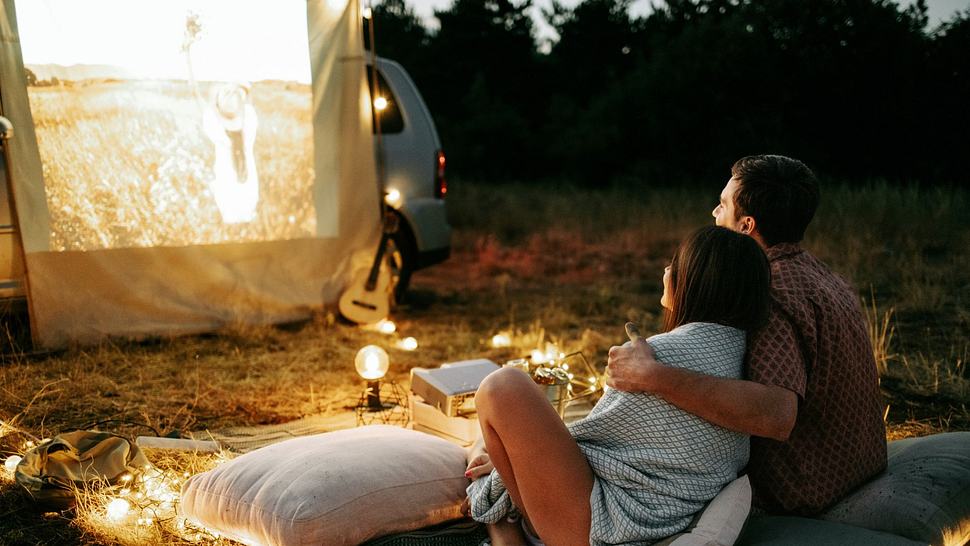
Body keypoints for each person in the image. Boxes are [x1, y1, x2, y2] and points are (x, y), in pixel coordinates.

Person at [607, 155, 887, 515]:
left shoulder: (768, 291)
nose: (713, 213)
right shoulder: (818, 274)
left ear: (745, 226)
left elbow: (776, 414)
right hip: (857, 463)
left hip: (803, 487)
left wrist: (653, 375)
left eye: (723, 206)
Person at [465, 226, 771, 546]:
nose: (666, 270)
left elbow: (589, 440)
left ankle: (504, 529)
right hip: (656, 520)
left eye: (675, 263)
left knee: (502, 386)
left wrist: (509, 467)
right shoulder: (741, 366)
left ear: (696, 282)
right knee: (486, 449)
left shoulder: (656, 357)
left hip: (602, 526)